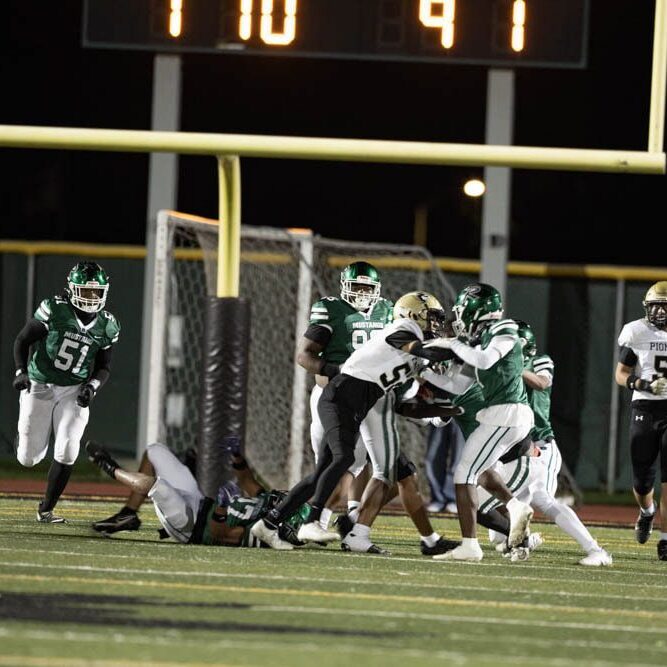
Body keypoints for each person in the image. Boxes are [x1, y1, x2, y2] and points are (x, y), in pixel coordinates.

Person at [251, 290, 458, 551]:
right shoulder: (403, 328)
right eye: (431, 317)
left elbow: (406, 405)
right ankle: (312, 521)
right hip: (341, 397)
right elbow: (424, 350)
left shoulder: (414, 355)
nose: (435, 324)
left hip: (356, 403)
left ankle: (269, 524)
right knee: (344, 459)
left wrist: (445, 411)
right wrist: (461, 348)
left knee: (322, 473)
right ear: (412, 314)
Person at [477, 320, 612, 566]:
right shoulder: (502, 369)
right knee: (496, 534)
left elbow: (542, 382)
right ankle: (525, 539)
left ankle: (597, 551)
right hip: (513, 449)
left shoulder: (539, 360)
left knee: (544, 500)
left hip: (540, 447)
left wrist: (512, 367)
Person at [423, 283, 535, 562]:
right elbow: (455, 382)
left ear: (476, 308)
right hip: (506, 415)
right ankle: (515, 510)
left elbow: (484, 361)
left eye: (462, 310)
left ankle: (470, 545)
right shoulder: (483, 337)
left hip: (506, 414)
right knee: (478, 470)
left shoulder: (503, 328)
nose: (459, 316)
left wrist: (452, 344)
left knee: (464, 474)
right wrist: (423, 373)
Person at [12, 261, 120, 523]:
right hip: (40, 383)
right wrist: (20, 372)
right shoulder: (55, 309)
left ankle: (46, 509)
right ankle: (23, 439)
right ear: (72, 290)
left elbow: (104, 366)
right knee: (29, 458)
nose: (91, 298)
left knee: (68, 449)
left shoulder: (107, 325)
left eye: (96, 292)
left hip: (73, 389)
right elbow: (22, 340)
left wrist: (92, 387)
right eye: (85, 291)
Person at [295, 260, 392, 532]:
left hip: (367, 398)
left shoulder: (386, 311)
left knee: (353, 463)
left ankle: (324, 521)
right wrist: (338, 371)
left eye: (366, 287)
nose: (361, 293)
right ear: (344, 286)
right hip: (333, 395)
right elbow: (305, 356)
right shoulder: (331, 309)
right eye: (356, 286)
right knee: (328, 465)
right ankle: (298, 519)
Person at [87, 438, 307, 548]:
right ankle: (129, 514)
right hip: (200, 503)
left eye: (289, 502)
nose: (285, 496)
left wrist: (223, 506)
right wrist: (237, 455)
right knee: (155, 452)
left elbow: (220, 533)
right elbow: (247, 480)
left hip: (191, 527)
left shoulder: (262, 533)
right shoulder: (269, 505)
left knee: (160, 488)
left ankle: (110, 468)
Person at [615, 281, 667, 560]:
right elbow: (620, 374)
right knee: (642, 479)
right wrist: (641, 383)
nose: (659, 312)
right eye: (655, 306)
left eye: (664, 306)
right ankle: (647, 511)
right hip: (645, 408)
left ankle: (665, 539)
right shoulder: (636, 331)